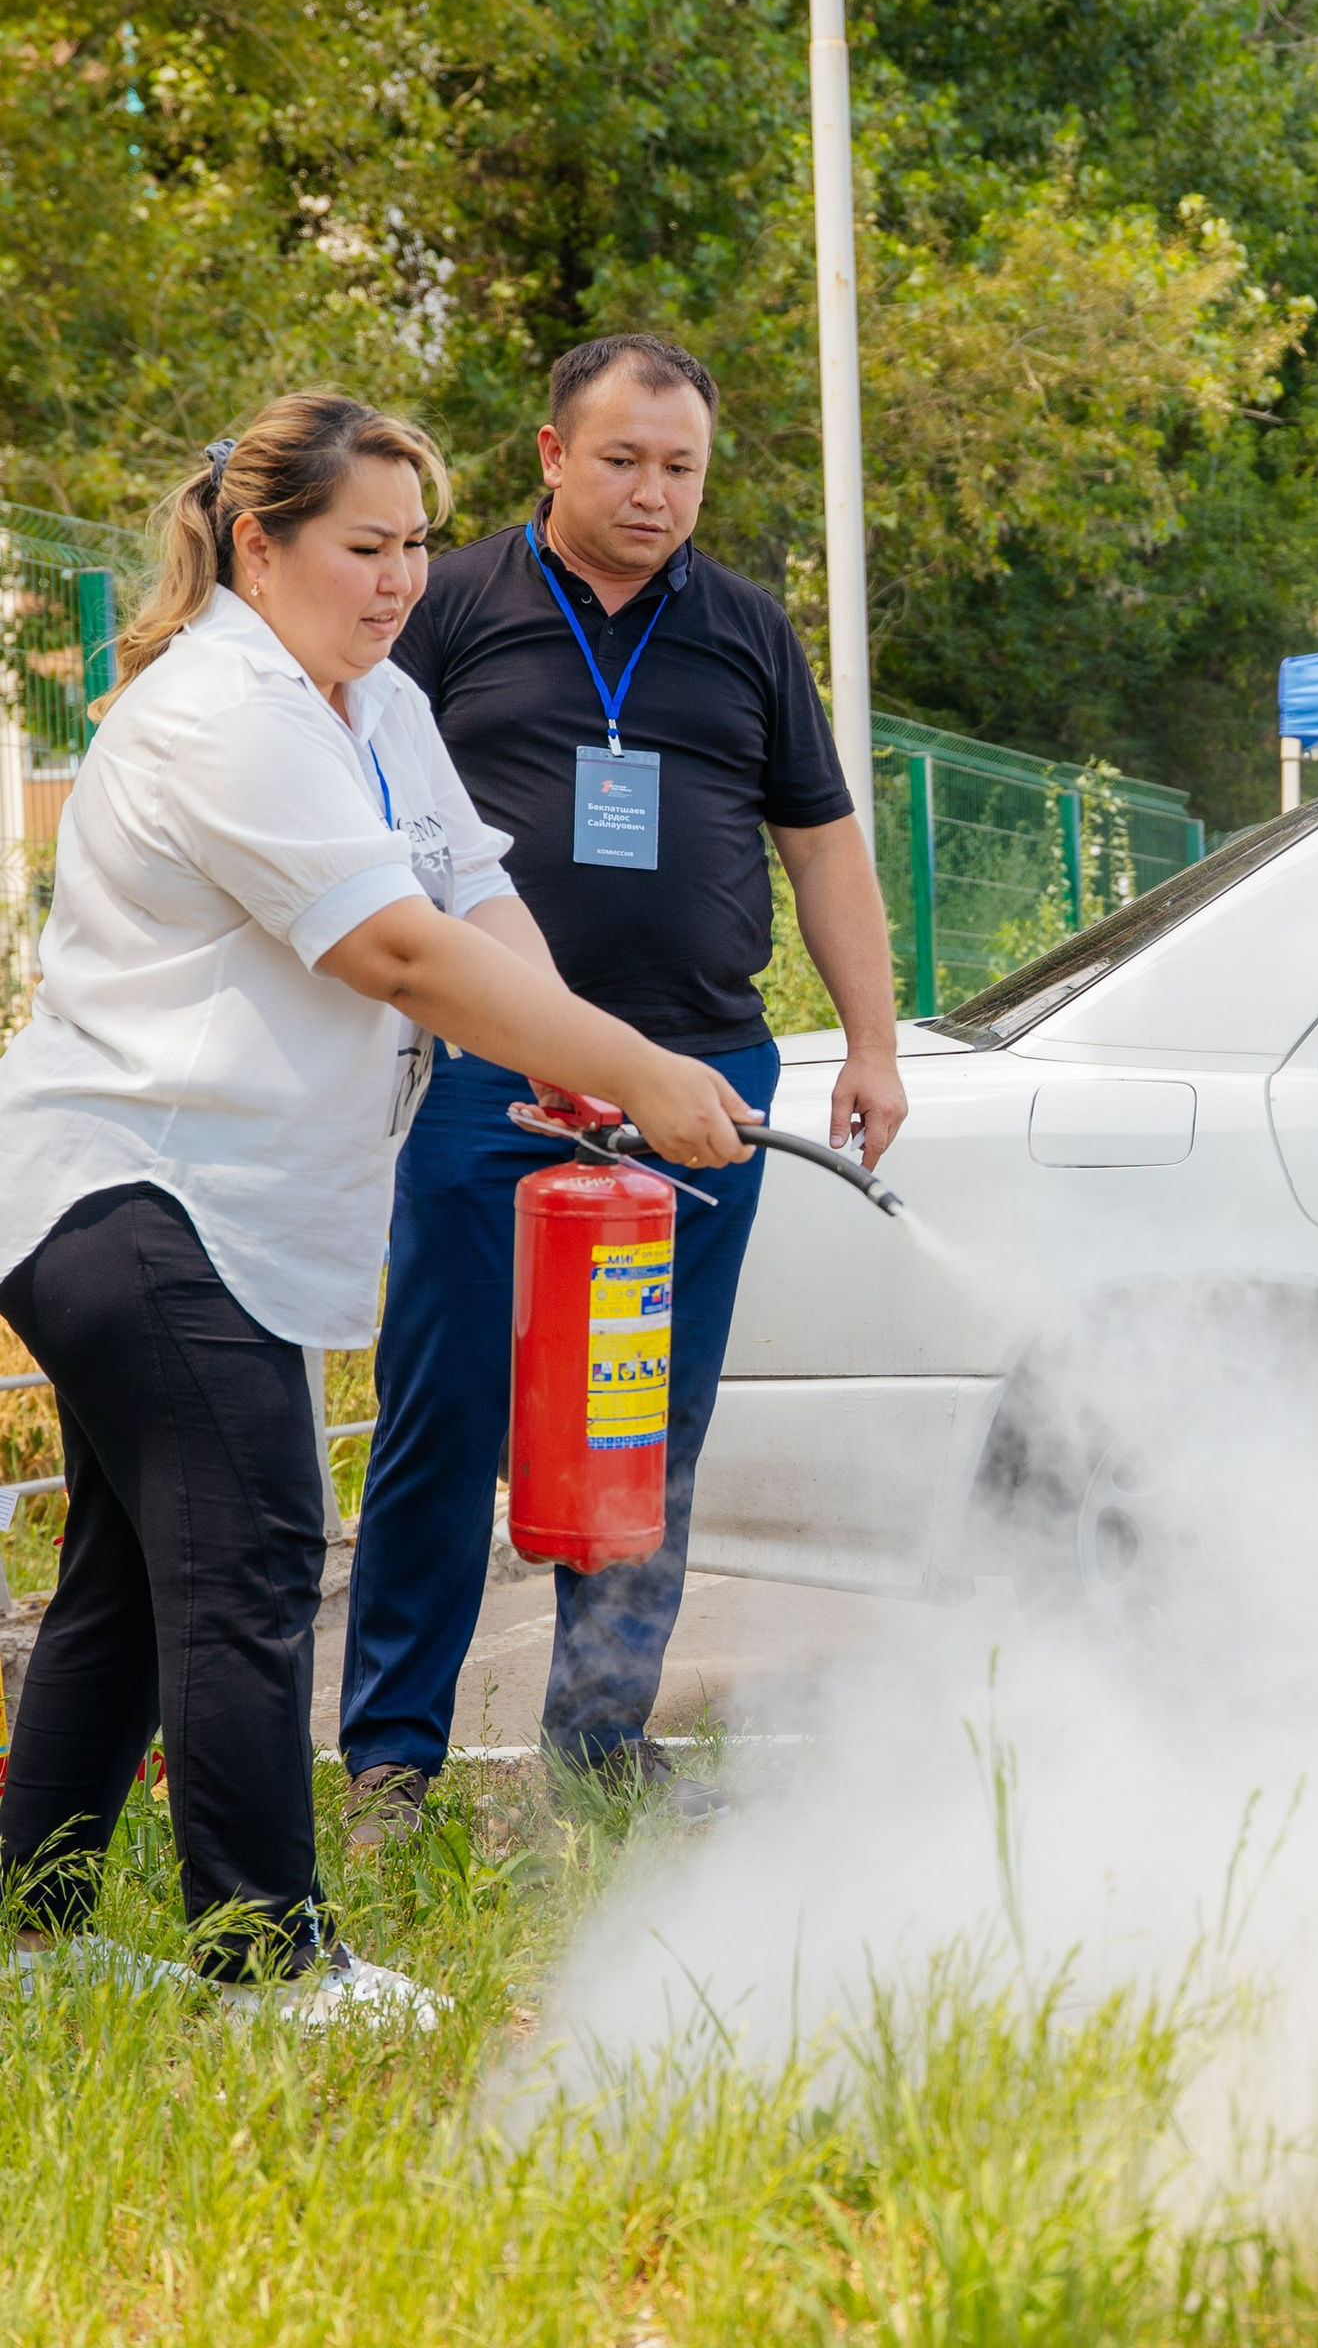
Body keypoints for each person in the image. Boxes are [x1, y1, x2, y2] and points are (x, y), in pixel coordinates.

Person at [0, 392, 759, 2009]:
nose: (403, 577)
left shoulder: (372, 699)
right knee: (260, 1553)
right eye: (367, 546)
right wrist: (637, 1068)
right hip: (131, 1189)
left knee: (135, 1581)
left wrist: (556, 1064)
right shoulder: (224, 710)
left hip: (218, 1201)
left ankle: (31, 1939)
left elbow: (472, 898)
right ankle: (268, 1960)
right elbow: (394, 952)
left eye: (417, 543)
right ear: (260, 547)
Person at [337, 333, 904, 1842]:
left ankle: (601, 1739)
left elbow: (824, 842)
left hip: (704, 1073)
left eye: (683, 468)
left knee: (641, 1411)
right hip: (491, 1072)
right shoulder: (443, 603)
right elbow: (357, 808)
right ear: (549, 455)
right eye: (624, 461)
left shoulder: (744, 629)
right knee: (440, 1410)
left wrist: (874, 1041)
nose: (656, 494)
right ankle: (393, 1761)